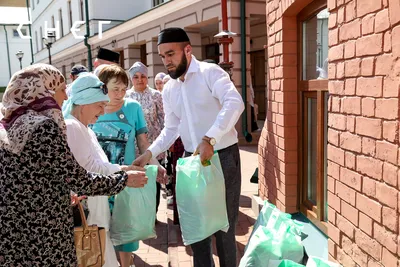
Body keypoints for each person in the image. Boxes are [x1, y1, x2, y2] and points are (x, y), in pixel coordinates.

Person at [0, 64, 148, 266]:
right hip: (42, 230)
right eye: (60, 89)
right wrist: (124, 180)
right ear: (43, 91)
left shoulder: (10, 125)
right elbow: (78, 178)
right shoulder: (42, 127)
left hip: (14, 229)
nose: (65, 96)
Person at [133, 27, 245, 267]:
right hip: (190, 162)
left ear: (187, 49)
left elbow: (235, 102)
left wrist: (210, 139)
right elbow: (171, 129)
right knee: (197, 230)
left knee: (225, 228)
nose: (167, 61)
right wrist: (149, 153)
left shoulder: (209, 72)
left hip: (222, 157)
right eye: (163, 56)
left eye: (171, 54)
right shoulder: (170, 88)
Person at [63, 73, 147, 267]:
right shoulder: (72, 127)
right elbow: (87, 170)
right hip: (89, 212)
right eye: (100, 105)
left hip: (96, 212)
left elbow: (97, 165)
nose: (102, 112)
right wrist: (124, 174)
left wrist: (123, 169)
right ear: (84, 103)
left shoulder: (85, 128)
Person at [91, 64, 166, 267]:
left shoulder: (132, 107)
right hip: (97, 184)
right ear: (102, 87)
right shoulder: (91, 108)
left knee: (126, 237)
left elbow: (143, 142)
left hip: (127, 182)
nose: (120, 94)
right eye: (115, 89)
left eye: (124, 89)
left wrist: (155, 163)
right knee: (100, 234)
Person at [126, 62, 165, 217]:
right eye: (136, 77)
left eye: (143, 76)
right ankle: (138, 215)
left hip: (153, 147)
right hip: (133, 148)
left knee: (153, 181)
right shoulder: (126, 96)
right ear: (131, 79)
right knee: (135, 180)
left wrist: (163, 145)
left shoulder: (156, 95)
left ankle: (152, 214)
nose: (140, 80)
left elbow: (163, 120)